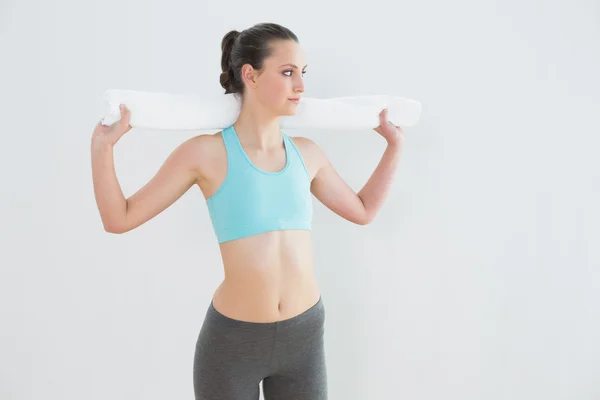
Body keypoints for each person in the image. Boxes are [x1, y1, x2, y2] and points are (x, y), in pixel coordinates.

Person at [91, 22, 404, 400]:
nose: (300, 86)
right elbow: (119, 218)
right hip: (234, 343)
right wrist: (102, 149)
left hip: (304, 336)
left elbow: (364, 209)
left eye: (302, 74)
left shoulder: (308, 153)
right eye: (287, 73)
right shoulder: (205, 153)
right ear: (250, 75)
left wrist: (394, 147)